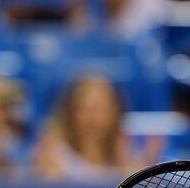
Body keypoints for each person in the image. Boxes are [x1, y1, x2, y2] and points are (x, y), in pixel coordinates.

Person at [33, 74, 163, 181]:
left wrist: (145, 172)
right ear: (71, 111)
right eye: (85, 108)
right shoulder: (55, 156)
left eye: (101, 108)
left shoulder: (126, 157)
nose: (93, 117)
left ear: (115, 112)